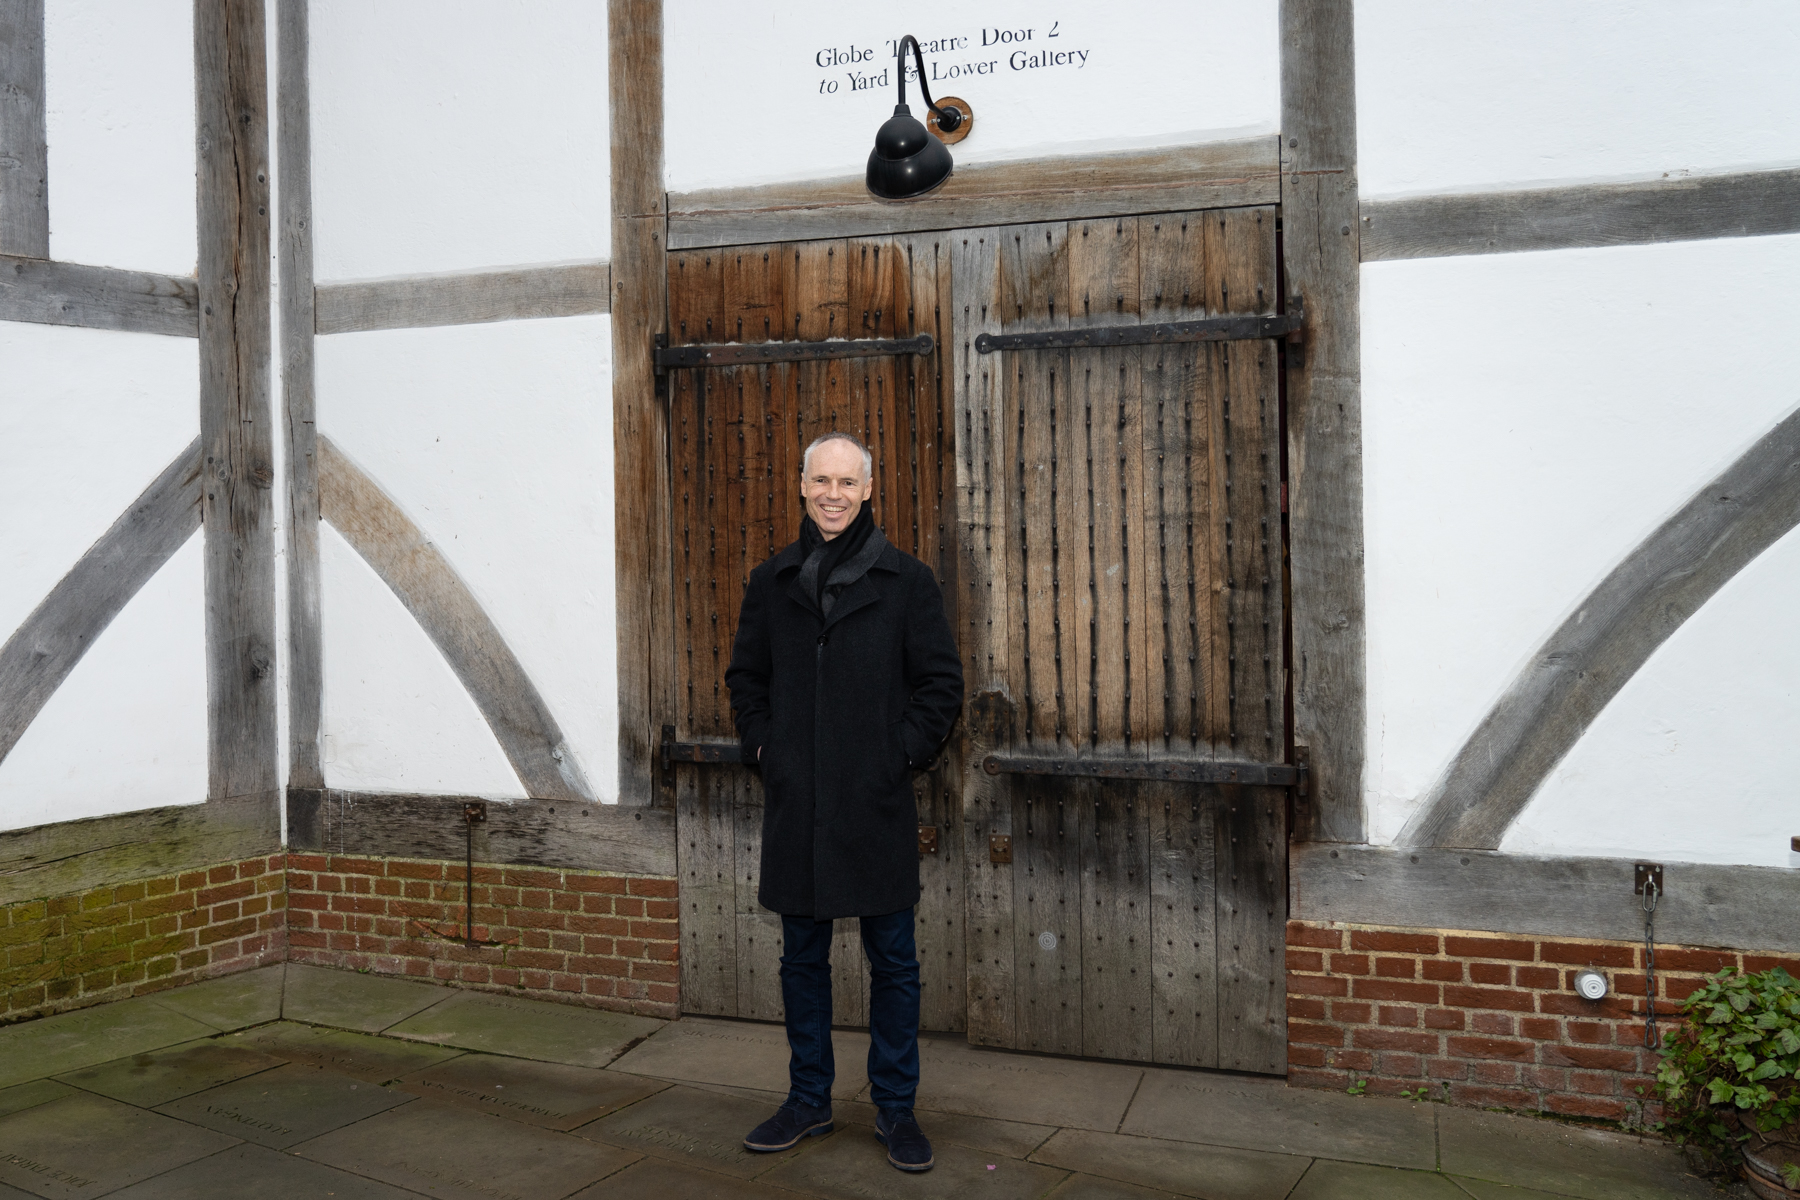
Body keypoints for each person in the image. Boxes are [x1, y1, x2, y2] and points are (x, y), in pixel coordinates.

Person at [725, 430, 963, 1173]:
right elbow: (746, 680)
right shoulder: (772, 580)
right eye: (820, 480)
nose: (832, 494)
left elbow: (940, 687)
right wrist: (770, 752)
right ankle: (809, 1100)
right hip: (799, 806)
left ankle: (896, 1110)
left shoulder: (906, 581)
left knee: (893, 960)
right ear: (802, 486)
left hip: (875, 803)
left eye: (846, 482)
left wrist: (896, 758)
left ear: (868, 491)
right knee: (803, 956)